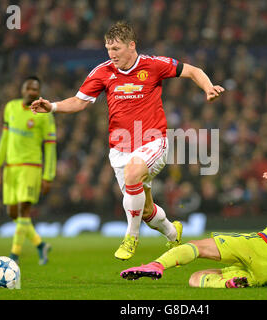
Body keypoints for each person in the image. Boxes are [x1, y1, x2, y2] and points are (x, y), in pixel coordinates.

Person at [30, 21, 225, 260]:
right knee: (145, 210)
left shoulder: (153, 65)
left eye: (117, 49)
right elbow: (79, 101)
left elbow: (193, 71)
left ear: (132, 45)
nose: (112, 55)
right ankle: (174, 234)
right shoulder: (102, 72)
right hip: (120, 148)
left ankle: (131, 238)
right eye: (108, 49)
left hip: (154, 141)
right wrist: (52, 106)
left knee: (134, 174)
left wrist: (208, 88)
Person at [120, 168, 267, 288]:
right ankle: (227, 284)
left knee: (197, 246)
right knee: (196, 279)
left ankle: (157, 265)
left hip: (260, 246)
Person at [0, 76, 56, 265]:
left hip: (31, 167)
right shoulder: (10, 107)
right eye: (28, 88)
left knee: (24, 210)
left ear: (39, 92)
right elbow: (4, 138)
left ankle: (14, 256)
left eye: (35, 89)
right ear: (22, 90)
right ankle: (40, 245)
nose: (31, 92)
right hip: (11, 167)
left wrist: (48, 176)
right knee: (12, 213)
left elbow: (51, 147)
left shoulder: (45, 114)